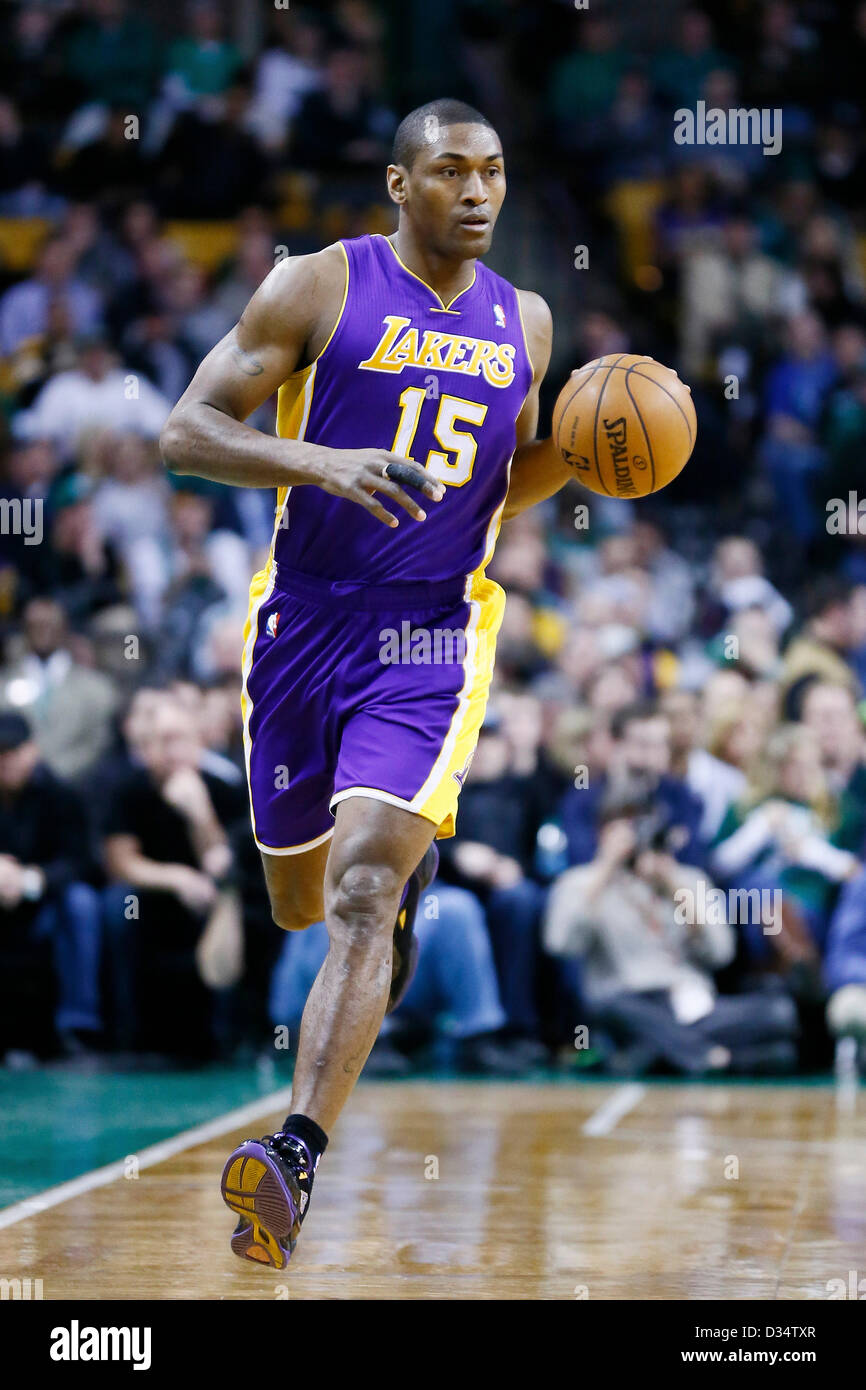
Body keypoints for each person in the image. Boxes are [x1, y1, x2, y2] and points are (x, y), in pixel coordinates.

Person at [160, 97, 579, 1268]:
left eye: (493, 171)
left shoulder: (526, 322)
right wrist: (316, 461)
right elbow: (185, 433)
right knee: (301, 905)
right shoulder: (316, 285)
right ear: (401, 186)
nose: (480, 192)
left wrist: (596, 454)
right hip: (300, 627)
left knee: (356, 894)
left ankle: (292, 1152)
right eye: (451, 171)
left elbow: (503, 480)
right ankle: (385, 884)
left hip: (431, 641)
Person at [0, 711, 102, 1059]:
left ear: (31, 750)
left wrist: (30, 880)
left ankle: (77, 1024)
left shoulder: (61, 794)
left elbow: (82, 862)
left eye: (12, 752)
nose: (6, 762)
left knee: (81, 904)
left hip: (45, 901)